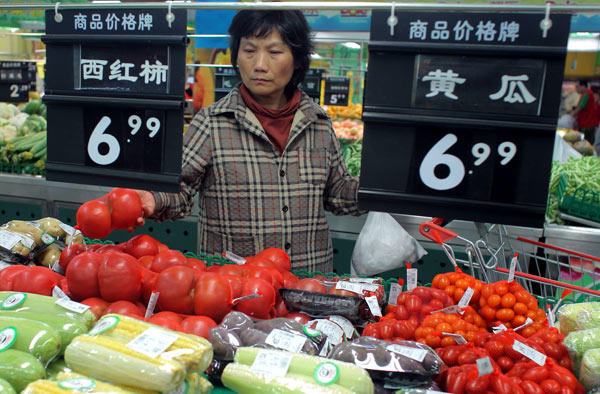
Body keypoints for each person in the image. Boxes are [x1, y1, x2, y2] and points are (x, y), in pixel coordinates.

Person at [134, 10, 362, 273]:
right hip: (235, 288)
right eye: (249, 50)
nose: (260, 64)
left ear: (297, 59)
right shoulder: (212, 123)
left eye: (274, 52)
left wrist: (379, 191)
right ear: (237, 56)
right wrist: (153, 199)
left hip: (309, 284)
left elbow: (337, 193)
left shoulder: (318, 123)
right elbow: (180, 190)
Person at [570, 80, 599, 144]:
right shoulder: (588, 93)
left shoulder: (587, 93)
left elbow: (581, 107)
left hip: (587, 125)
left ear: (583, 86)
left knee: (585, 144)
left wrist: (571, 115)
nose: (576, 89)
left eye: (577, 87)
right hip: (588, 124)